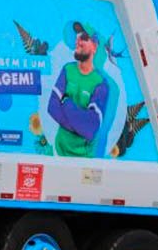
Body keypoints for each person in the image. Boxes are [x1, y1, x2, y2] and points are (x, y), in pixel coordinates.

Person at [47, 22, 118, 158]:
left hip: (84, 158)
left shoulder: (100, 84)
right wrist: (80, 124)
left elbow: (90, 128)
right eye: (77, 38)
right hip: (59, 150)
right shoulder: (67, 70)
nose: (78, 41)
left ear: (95, 47)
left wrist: (66, 101)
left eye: (84, 38)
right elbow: (52, 107)